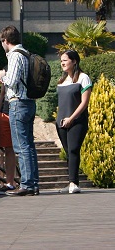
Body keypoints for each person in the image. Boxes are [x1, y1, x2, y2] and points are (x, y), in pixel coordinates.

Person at [0, 25, 39, 196]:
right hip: (28, 103)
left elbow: (12, 81)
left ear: (5, 41)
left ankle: (27, 184)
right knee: (29, 145)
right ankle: (33, 183)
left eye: (2, 42)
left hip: (17, 103)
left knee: (21, 146)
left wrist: (1, 76)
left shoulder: (14, 55)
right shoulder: (26, 54)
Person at [56, 49, 92, 194]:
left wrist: (71, 118)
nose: (62, 63)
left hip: (77, 121)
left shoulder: (83, 78)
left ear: (74, 61)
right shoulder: (62, 80)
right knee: (68, 152)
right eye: (61, 61)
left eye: (65, 60)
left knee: (73, 149)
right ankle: (71, 182)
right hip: (61, 122)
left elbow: (84, 103)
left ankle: (73, 183)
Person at [0, 81, 18, 194]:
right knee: (8, 148)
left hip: (18, 110)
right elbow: (3, 92)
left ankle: (26, 182)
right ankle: (10, 182)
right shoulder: (5, 70)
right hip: (4, 112)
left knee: (22, 148)